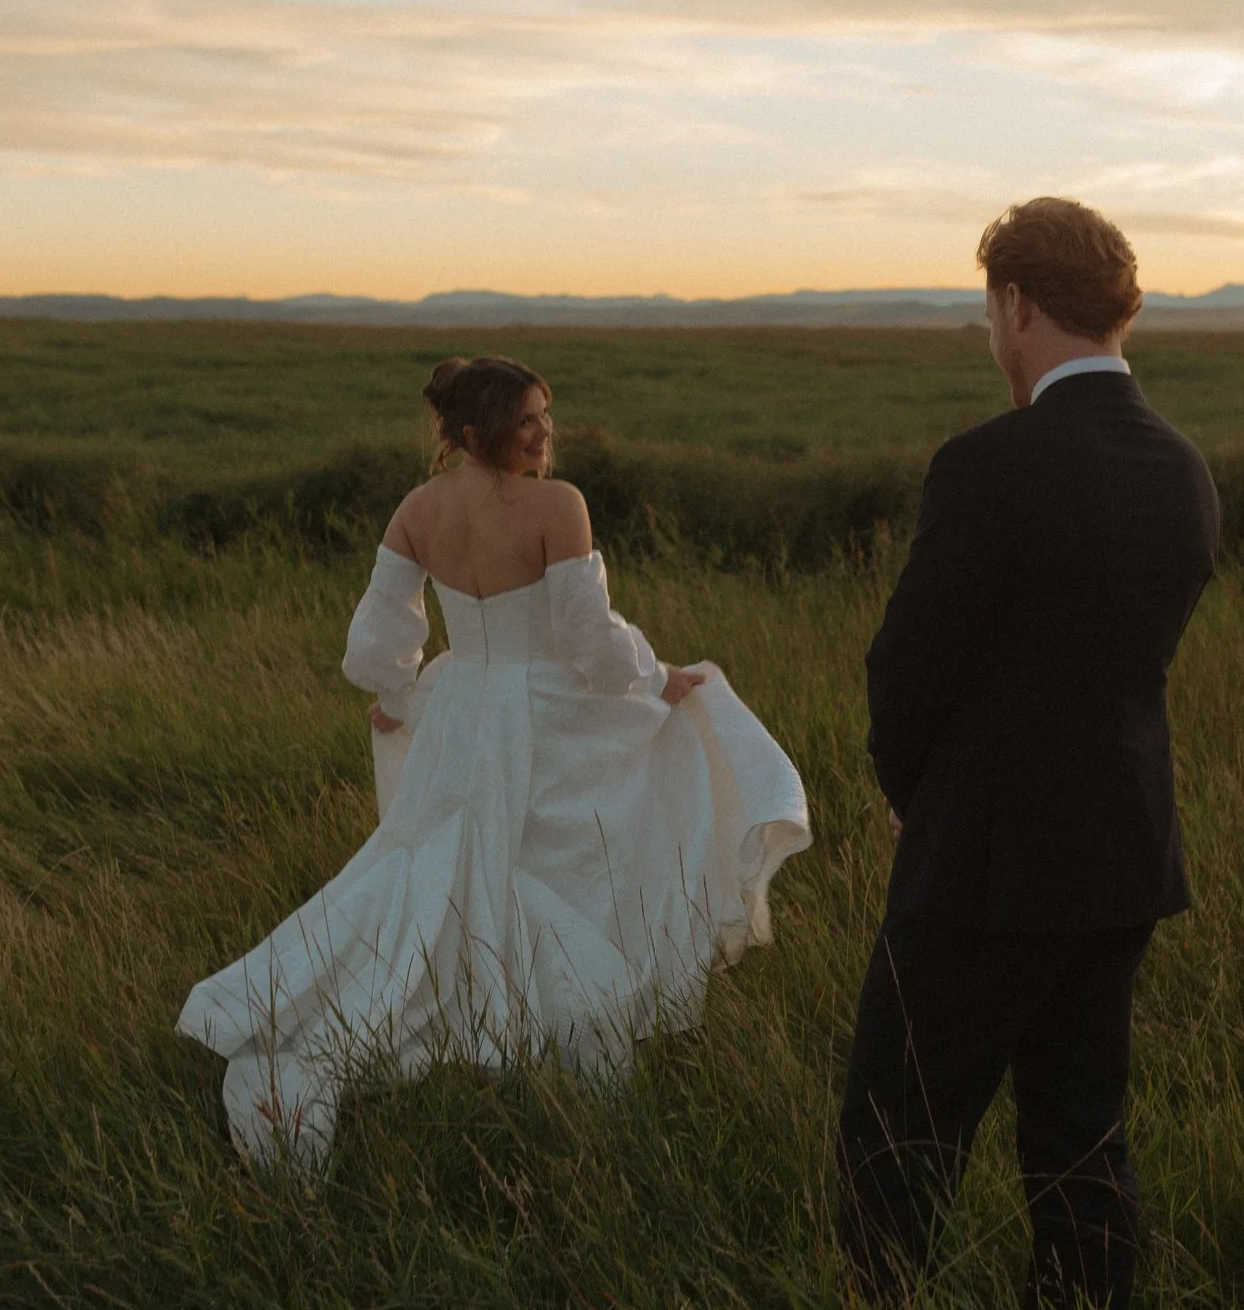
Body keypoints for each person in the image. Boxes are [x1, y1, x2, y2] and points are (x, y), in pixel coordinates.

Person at [178, 356, 812, 1166]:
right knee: (564, 843)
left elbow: (380, 630)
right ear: (475, 431)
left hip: (461, 709)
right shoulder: (558, 505)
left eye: (547, 416)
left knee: (455, 862)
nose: (546, 435)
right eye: (527, 421)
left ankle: (462, 1014)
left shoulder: (418, 508)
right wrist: (657, 680)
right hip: (544, 707)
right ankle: (536, 1023)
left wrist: (400, 695)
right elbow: (587, 639)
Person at [835, 198, 1221, 1310]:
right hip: (1119, 852)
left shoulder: (987, 464)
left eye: (987, 312)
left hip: (984, 861)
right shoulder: (1183, 468)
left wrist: (914, 793)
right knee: (1081, 1133)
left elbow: (907, 665)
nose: (990, 337)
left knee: (897, 1124)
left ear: (1014, 303)